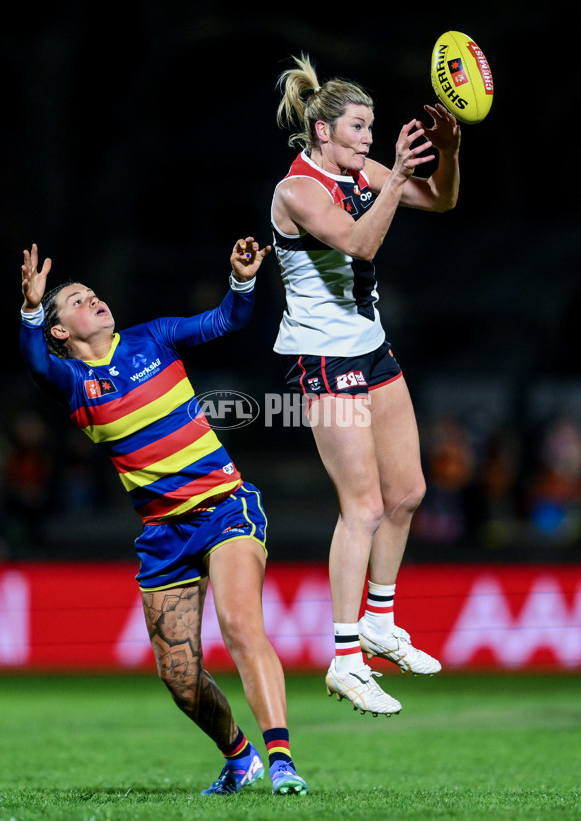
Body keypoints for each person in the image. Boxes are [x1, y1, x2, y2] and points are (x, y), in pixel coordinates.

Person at [19, 239, 308, 797]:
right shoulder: (73, 383)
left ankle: (282, 761)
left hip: (225, 507)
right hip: (163, 534)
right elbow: (34, 364)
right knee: (179, 678)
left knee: (243, 627)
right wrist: (31, 311)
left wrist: (243, 281)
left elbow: (227, 320)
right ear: (60, 333)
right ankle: (239, 757)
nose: (94, 299)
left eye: (93, 293)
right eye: (78, 301)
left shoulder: (153, 337)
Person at [271, 54, 461, 716]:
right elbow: (360, 244)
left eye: (372, 128)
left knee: (408, 491)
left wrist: (449, 151)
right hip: (325, 361)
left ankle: (381, 624)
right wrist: (393, 179)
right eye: (357, 128)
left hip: (371, 350)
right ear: (323, 131)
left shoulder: (364, 173)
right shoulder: (297, 190)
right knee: (364, 506)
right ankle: (345, 656)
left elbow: (442, 199)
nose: (368, 140)